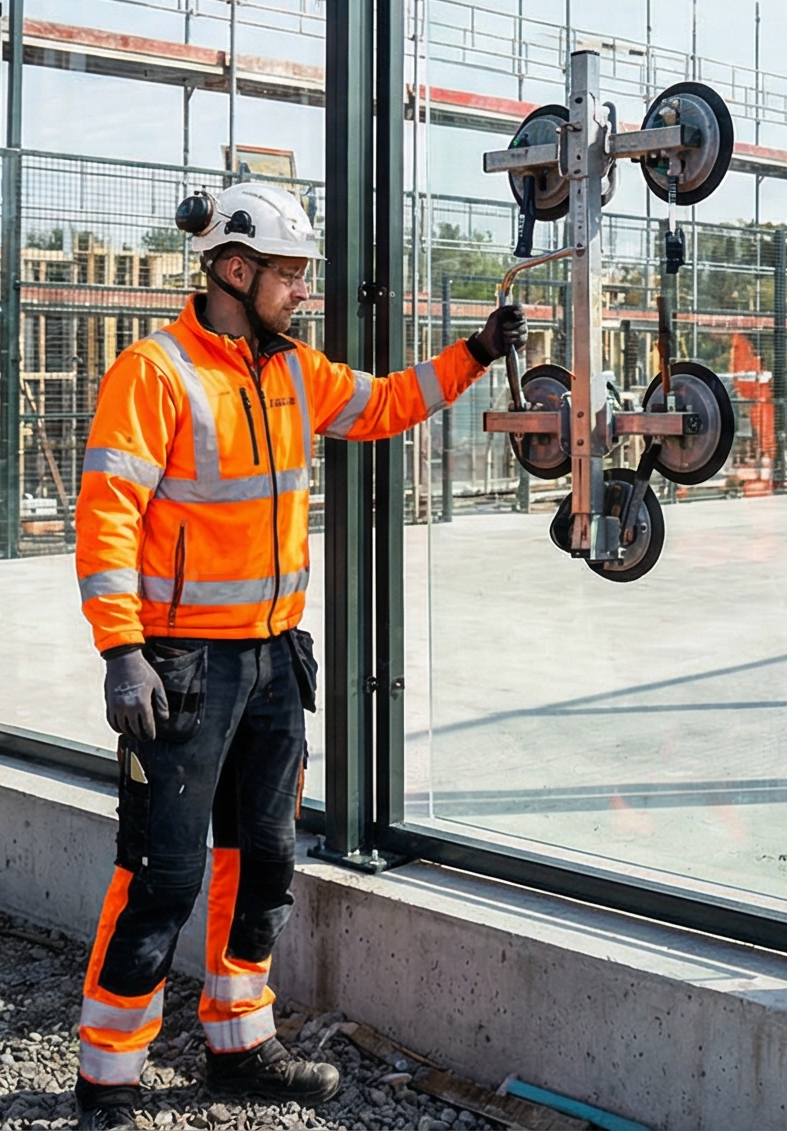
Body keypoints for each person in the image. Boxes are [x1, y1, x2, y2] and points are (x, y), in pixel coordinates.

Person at [70, 182, 522, 1128]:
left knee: (261, 860)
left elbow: (390, 404)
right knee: (163, 871)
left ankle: (238, 1046)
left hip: (273, 661)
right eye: (288, 274)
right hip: (183, 668)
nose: (300, 291)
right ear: (235, 270)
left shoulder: (291, 371)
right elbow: (108, 519)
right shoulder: (155, 374)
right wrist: (121, 652)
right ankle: (108, 1074)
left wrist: (477, 353)